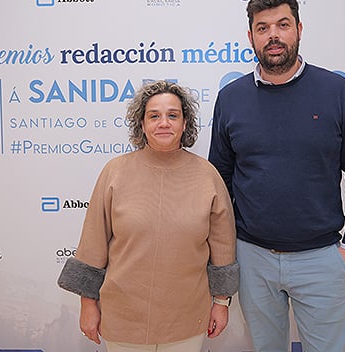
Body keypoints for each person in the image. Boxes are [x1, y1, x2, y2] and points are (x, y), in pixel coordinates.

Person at [208, 0, 345, 352]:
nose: (273, 35)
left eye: (282, 25)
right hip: (252, 258)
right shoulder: (230, 98)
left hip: (322, 259)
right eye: (263, 27)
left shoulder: (337, 91)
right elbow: (218, 184)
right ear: (251, 36)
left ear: (299, 29)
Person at [58, 80, 239, 352]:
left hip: (187, 317)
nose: (163, 123)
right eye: (154, 116)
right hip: (123, 317)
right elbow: (93, 243)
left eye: (172, 115)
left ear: (185, 123)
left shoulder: (207, 176)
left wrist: (221, 303)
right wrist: (88, 305)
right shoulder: (115, 172)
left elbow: (223, 247)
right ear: (142, 124)